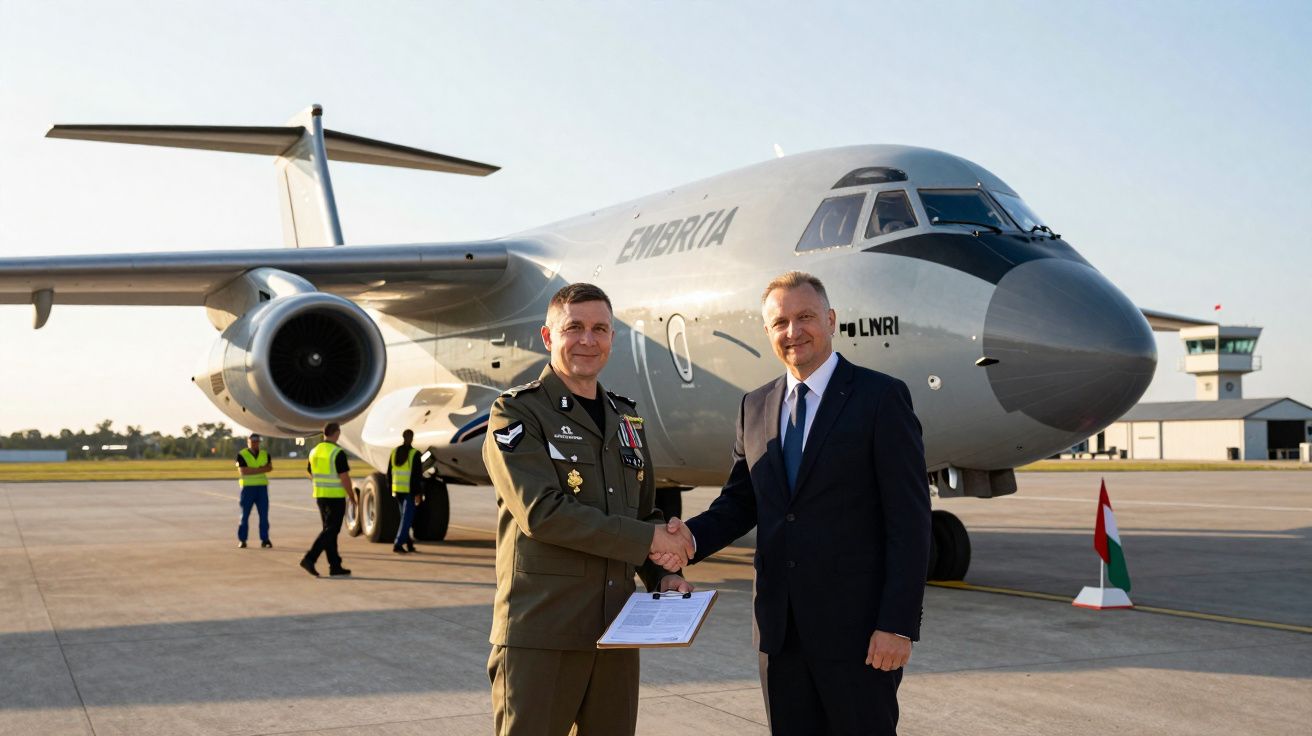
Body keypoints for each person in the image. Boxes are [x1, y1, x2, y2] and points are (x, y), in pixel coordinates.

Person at [655, 271, 931, 735]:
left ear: (831, 320)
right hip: (780, 634)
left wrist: (897, 625)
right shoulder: (755, 405)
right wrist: (688, 540)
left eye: (805, 317)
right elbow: (740, 502)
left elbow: (910, 521)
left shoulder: (880, 398)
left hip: (860, 635)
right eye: (780, 322)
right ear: (767, 331)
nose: (793, 331)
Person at [482, 282, 693, 736]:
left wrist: (663, 575)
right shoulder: (517, 414)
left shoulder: (626, 418)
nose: (587, 340)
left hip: (616, 633)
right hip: (543, 635)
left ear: (612, 338)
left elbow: (643, 514)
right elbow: (542, 513)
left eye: (600, 329)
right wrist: (651, 539)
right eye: (573, 327)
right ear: (548, 336)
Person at [300, 422, 359, 578]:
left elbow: (310, 472)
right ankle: (310, 558)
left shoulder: (314, 451)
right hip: (335, 497)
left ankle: (335, 565)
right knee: (332, 530)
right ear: (337, 433)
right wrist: (351, 496)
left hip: (320, 495)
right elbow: (344, 477)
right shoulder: (337, 452)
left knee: (329, 531)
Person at [387, 428, 422, 554]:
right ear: (412, 438)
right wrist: (418, 493)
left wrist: (390, 488)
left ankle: (409, 544)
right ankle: (398, 544)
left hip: (397, 490)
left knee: (404, 518)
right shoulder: (415, 454)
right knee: (406, 519)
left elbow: (389, 473)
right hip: (409, 491)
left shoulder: (394, 452)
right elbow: (417, 476)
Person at [234, 433, 272, 549]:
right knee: (244, 516)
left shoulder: (265, 454)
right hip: (248, 488)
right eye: (252, 441)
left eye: (256, 441)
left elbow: (269, 468)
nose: (255, 443)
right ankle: (242, 540)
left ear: (259, 442)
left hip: (262, 488)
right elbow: (243, 471)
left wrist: (252, 470)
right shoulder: (242, 454)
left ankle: (265, 539)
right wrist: (261, 469)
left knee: (264, 516)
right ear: (248, 442)